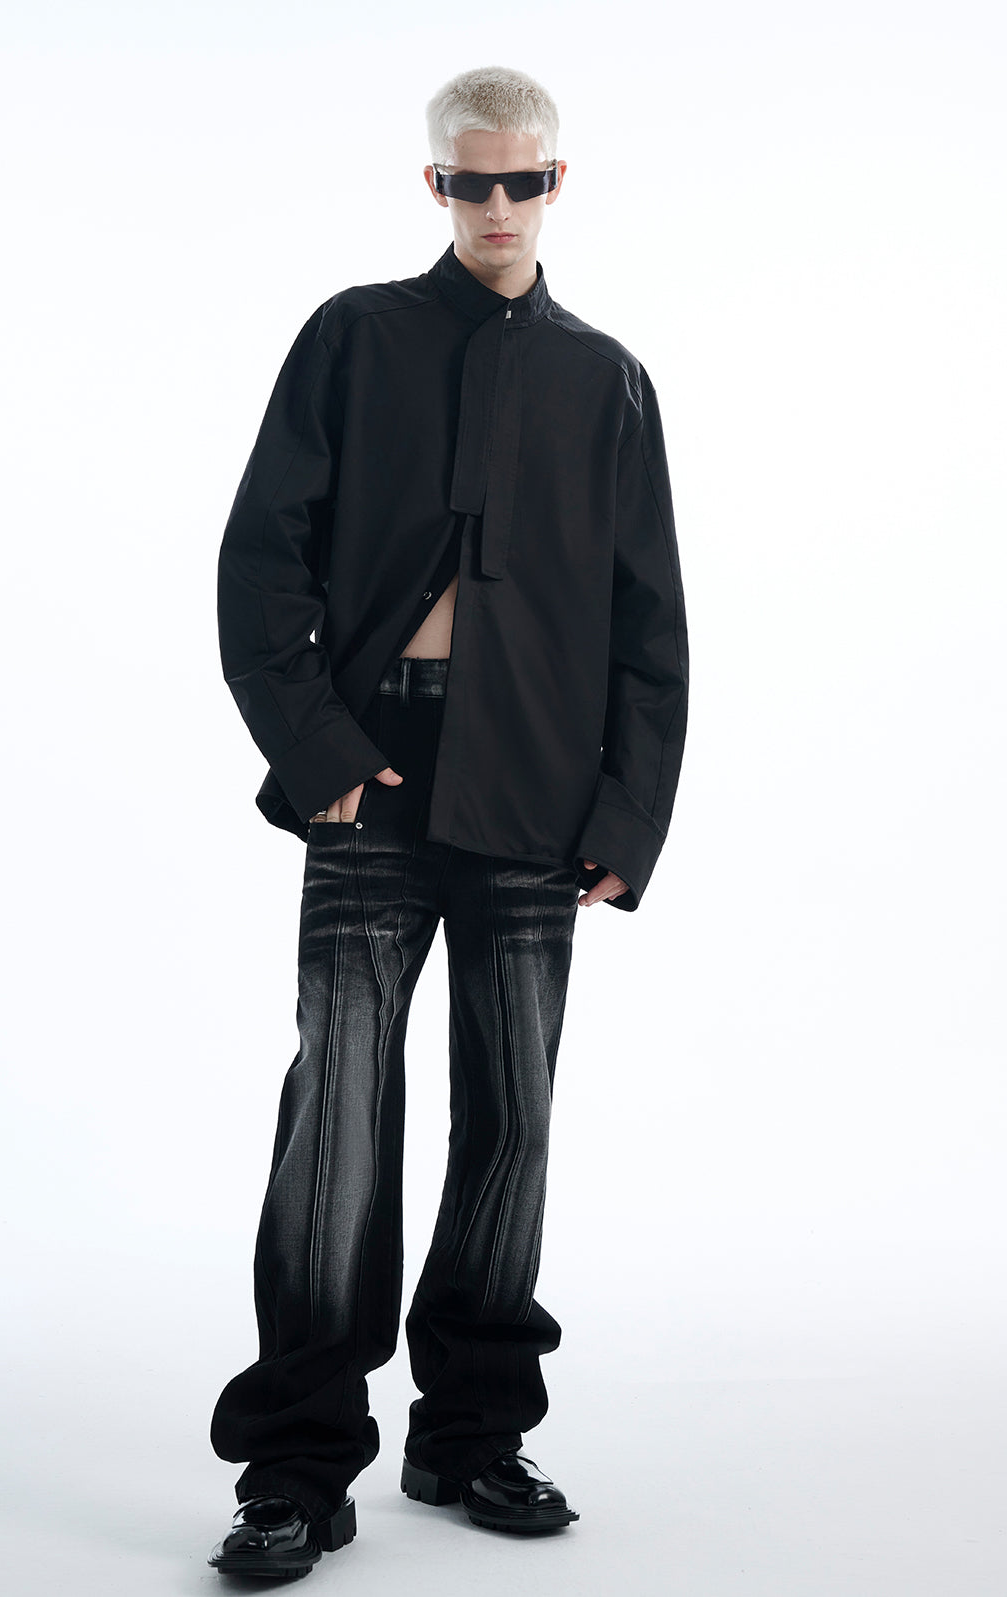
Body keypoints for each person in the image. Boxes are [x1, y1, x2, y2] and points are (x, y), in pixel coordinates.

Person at [206, 64, 689, 1579]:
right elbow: (259, 559)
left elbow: (650, 620)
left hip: (537, 789)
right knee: (339, 1112)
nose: (496, 206)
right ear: (435, 186)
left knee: (513, 1116)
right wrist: (319, 750)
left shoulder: (607, 380)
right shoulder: (354, 338)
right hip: (377, 775)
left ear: (557, 183)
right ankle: (297, 1463)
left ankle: (471, 1433)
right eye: (469, 182)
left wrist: (628, 813)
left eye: (520, 181)